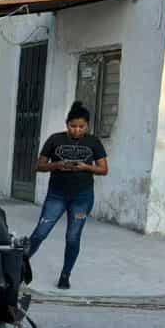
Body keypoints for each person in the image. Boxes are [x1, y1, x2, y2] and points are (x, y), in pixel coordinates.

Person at [27, 103, 108, 289]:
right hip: (56, 195)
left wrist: (86, 167)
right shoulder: (55, 140)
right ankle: (19, 266)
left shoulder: (94, 142)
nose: (77, 130)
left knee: (73, 237)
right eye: (73, 126)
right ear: (67, 124)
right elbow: (39, 166)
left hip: (82, 197)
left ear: (87, 126)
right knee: (40, 232)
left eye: (81, 127)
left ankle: (65, 274)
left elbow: (103, 169)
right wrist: (57, 165)